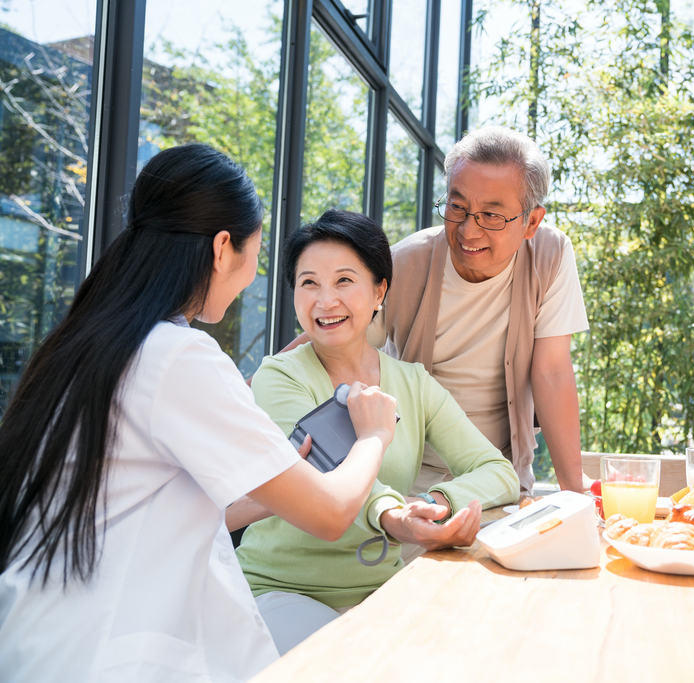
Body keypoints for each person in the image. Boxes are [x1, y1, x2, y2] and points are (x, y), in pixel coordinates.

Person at [0, 144, 398, 683]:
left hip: (43, 641)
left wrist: (263, 491)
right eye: (255, 255)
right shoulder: (179, 356)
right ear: (221, 248)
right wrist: (372, 434)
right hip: (106, 656)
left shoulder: (91, 340)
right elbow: (330, 514)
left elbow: (139, 505)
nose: (253, 276)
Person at [235, 210, 519, 654]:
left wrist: (436, 503)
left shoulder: (414, 383)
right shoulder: (279, 377)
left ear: (379, 291)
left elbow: (497, 470)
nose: (325, 300)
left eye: (344, 281)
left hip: (380, 591)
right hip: (281, 591)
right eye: (309, 283)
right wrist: (395, 517)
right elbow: (322, 481)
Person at [374, 126, 590, 495]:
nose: (468, 232)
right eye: (457, 207)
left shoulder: (550, 255)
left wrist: (574, 490)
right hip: (409, 480)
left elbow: (552, 371)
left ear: (531, 222)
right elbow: (336, 347)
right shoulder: (405, 263)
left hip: (499, 478)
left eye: (491, 216)